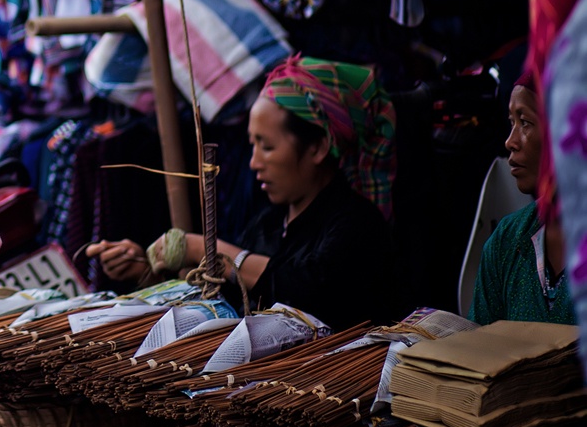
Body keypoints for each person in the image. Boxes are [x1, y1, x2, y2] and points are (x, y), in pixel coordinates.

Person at [89, 56, 398, 330]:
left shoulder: (356, 223)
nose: (253, 162)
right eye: (252, 145)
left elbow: (308, 292)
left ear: (317, 147)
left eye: (267, 146)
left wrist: (209, 252)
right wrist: (146, 270)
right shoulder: (268, 221)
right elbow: (229, 300)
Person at [471, 73, 575, 325]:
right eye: (511, 122)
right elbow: (477, 352)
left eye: (525, 122)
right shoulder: (507, 240)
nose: (510, 142)